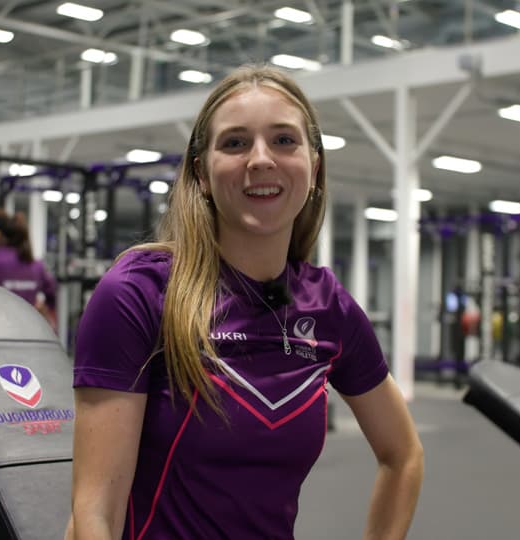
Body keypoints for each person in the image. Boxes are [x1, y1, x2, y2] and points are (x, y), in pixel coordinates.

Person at [66, 65, 424, 540]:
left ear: (313, 166)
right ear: (202, 172)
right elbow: (95, 516)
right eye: (235, 143)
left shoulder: (327, 307)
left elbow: (403, 455)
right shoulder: (139, 293)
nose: (261, 159)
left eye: (283, 140)